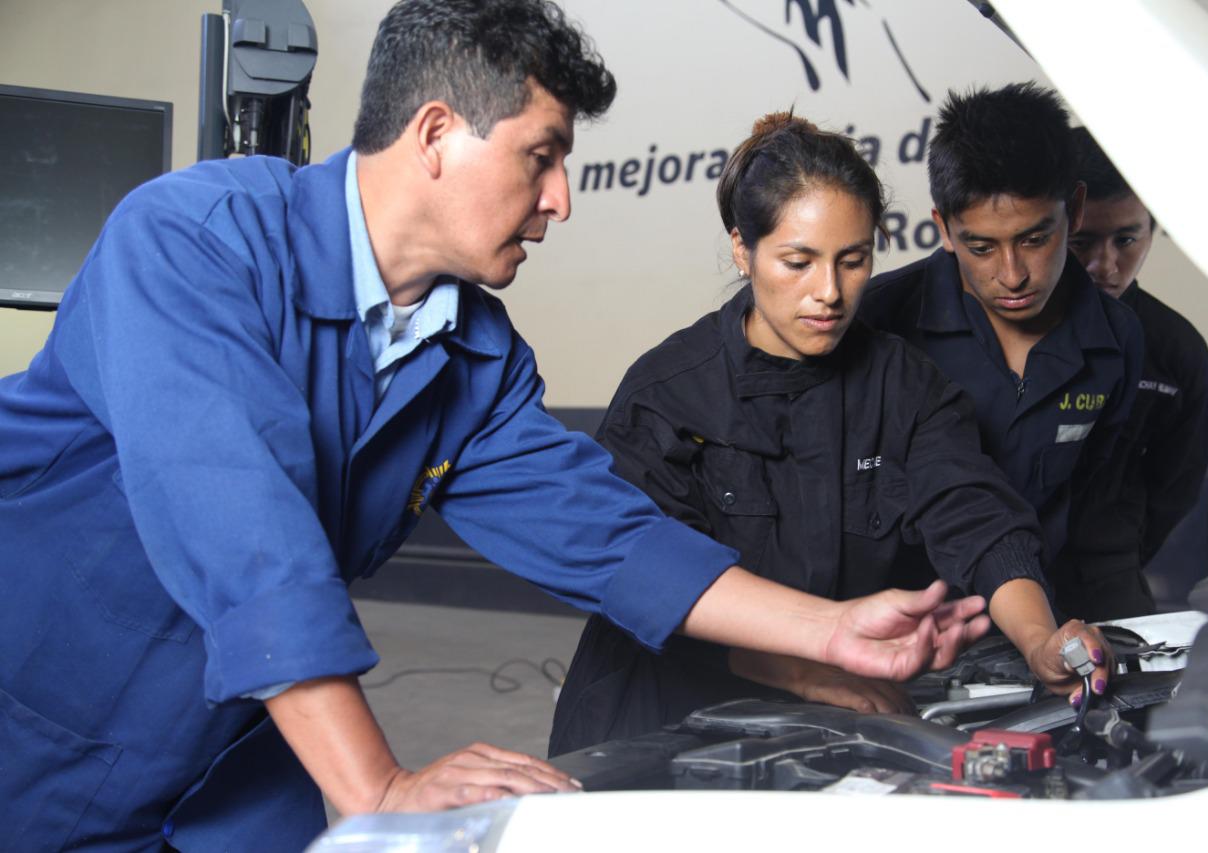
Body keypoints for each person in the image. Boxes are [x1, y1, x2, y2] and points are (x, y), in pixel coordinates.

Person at [0, 3, 992, 851]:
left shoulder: (473, 352)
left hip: (231, 754)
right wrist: (379, 784)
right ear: (436, 133)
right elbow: (244, 534)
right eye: (541, 157)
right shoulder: (193, 242)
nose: (561, 199)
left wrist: (828, 629)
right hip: (40, 730)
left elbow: (604, 532)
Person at [548, 113, 1111, 758]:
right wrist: (806, 668)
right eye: (798, 262)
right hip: (655, 724)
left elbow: (976, 516)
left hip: (827, 727)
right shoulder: (666, 394)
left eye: (853, 261)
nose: (830, 293)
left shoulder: (905, 385)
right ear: (742, 249)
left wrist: (1039, 638)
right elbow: (641, 579)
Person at [857, 82, 1145, 619]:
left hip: (1041, 626)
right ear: (944, 229)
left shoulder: (1118, 339)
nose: (1012, 275)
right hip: (897, 630)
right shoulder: (876, 321)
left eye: (1034, 239)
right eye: (982, 246)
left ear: (1075, 209)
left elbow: (1099, 520)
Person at [1057, 127, 1208, 618]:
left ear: (1153, 228)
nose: (1104, 265)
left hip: (1109, 578)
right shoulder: (998, 328)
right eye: (1082, 242)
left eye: (1126, 239)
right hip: (982, 579)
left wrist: (1115, 550)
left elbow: (1175, 488)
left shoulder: (1177, 350)